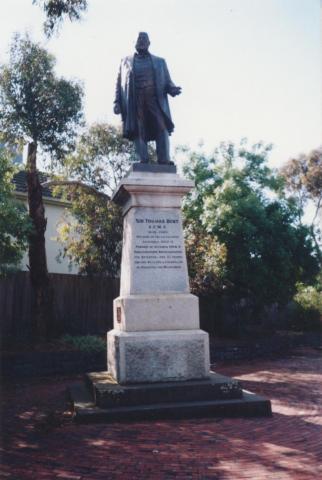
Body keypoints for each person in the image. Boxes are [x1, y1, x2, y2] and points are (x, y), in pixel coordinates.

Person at [114, 32, 181, 165]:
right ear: (135, 42)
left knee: (162, 127)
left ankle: (164, 159)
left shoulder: (160, 62)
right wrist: (116, 102)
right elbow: (119, 83)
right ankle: (143, 159)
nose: (141, 41)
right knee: (138, 129)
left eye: (144, 39)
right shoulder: (125, 61)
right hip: (134, 100)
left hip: (154, 100)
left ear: (149, 43)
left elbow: (167, 81)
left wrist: (172, 89)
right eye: (139, 39)